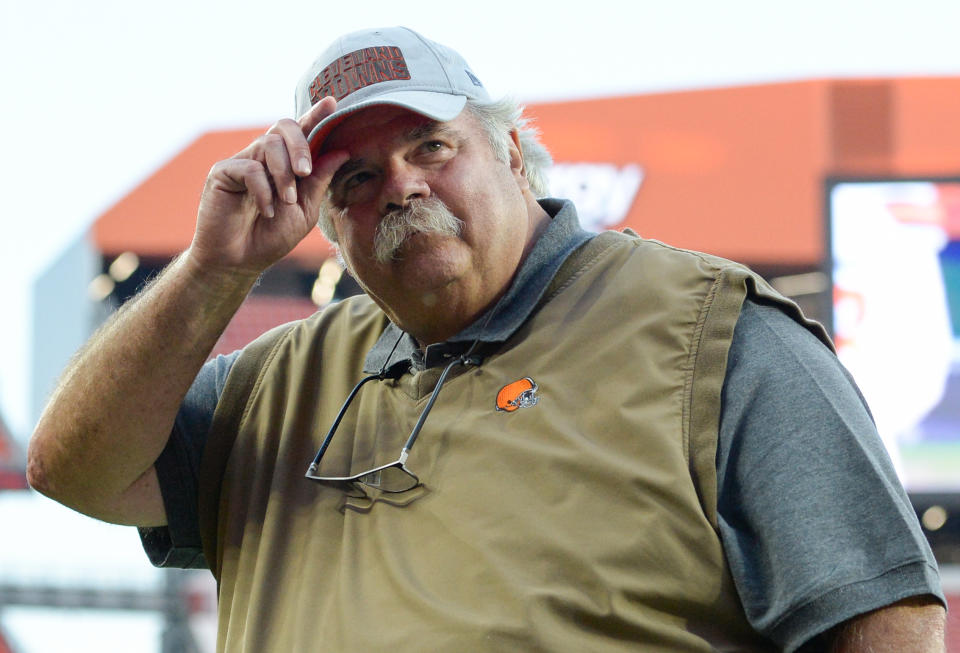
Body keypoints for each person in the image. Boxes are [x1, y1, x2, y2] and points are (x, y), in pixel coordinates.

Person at [28, 26, 946, 652]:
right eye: (352, 178)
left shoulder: (715, 336)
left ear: (512, 153)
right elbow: (72, 469)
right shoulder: (271, 386)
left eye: (430, 146)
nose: (400, 186)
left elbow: (883, 619)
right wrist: (210, 270)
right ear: (329, 225)